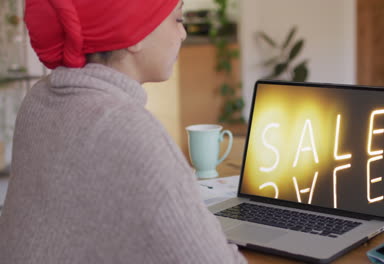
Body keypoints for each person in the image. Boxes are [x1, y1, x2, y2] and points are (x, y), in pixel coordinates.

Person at [0, 0, 246, 263]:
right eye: (177, 19)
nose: (183, 33)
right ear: (135, 36)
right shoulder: (128, 129)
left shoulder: (39, 99)